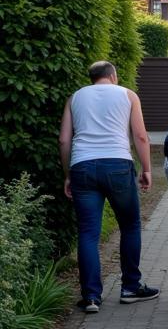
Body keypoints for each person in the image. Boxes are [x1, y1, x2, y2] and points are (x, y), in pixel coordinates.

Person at [59, 60, 158, 313]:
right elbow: (141, 136)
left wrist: (68, 174)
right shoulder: (127, 94)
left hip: (82, 165)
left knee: (88, 233)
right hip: (117, 165)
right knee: (130, 225)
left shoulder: (75, 98)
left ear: (92, 77)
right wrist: (146, 169)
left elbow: (64, 140)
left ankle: (91, 297)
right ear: (113, 75)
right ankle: (130, 288)